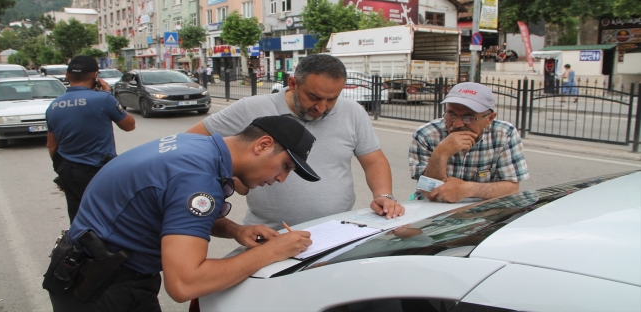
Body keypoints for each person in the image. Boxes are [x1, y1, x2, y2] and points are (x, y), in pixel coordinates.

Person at [44, 116, 318, 310]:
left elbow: (169, 208)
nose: (281, 179)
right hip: (105, 290)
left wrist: (236, 230)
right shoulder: (196, 178)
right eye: (285, 166)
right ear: (262, 145)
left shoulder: (197, 147)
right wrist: (273, 251)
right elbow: (185, 283)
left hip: (87, 273)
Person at [186, 54, 404, 230]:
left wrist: (383, 195)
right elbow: (191, 143)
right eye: (314, 97)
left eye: (332, 99)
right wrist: (232, 175)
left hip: (335, 230)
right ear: (292, 83)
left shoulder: (352, 112)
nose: (322, 108)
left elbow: (374, 160)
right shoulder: (250, 108)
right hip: (269, 231)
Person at [46, 56, 136, 223]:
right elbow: (129, 125)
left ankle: (78, 247)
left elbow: (51, 146)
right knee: (106, 217)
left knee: (77, 218)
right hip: (97, 171)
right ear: (95, 75)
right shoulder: (103, 99)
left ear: (67, 75)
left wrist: (61, 173)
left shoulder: (54, 105)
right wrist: (109, 95)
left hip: (68, 171)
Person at [409, 82, 529, 203]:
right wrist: (440, 153)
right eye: (451, 114)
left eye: (469, 118)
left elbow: (512, 188)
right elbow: (428, 192)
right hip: (433, 209)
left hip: (483, 210)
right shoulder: (425, 135)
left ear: (490, 118)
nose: (457, 124)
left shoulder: (504, 134)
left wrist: (468, 189)